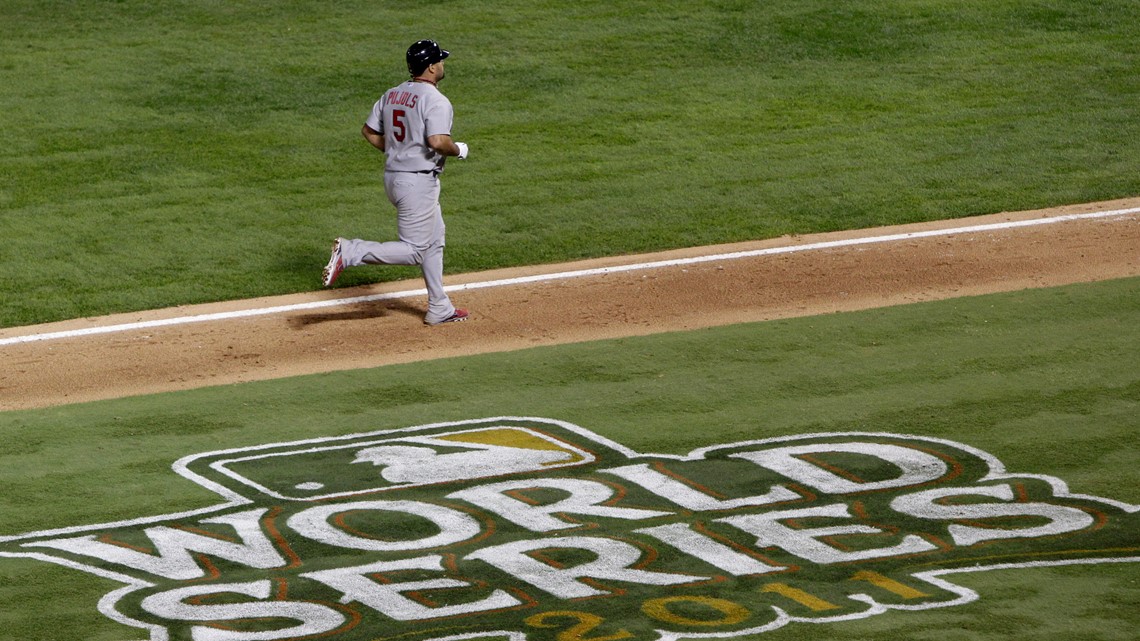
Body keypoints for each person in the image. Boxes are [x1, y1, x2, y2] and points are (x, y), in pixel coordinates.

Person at [322, 39, 469, 325]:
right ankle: (352, 251)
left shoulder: (393, 94)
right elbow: (438, 141)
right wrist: (459, 150)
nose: (443, 64)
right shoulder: (436, 100)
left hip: (394, 179)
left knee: (435, 238)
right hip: (417, 185)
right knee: (415, 250)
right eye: (440, 60)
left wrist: (398, 152)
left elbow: (368, 131)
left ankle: (439, 306)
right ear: (430, 67)